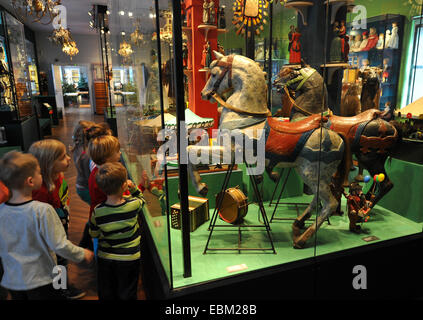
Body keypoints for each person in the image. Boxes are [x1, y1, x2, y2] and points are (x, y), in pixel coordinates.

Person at [0, 151, 93, 300]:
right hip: (41, 280)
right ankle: (64, 290)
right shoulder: (42, 210)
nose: (42, 176)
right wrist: (82, 254)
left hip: (13, 281)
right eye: (39, 173)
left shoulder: (1, 211)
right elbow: (60, 245)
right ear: (30, 181)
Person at [28, 139, 86, 300]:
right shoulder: (39, 190)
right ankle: (60, 289)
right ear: (48, 164)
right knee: (56, 261)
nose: (68, 158)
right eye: (62, 157)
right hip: (48, 233)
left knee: (60, 260)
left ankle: (61, 286)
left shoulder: (57, 177)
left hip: (60, 224)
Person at [89, 162, 144, 300]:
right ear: (124, 185)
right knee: (128, 290)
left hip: (106, 258)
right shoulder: (133, 204)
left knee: (107, 291)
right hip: (130, 257)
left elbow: (93, 234)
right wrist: (133, 188)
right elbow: (142, 199)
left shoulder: (98, 211)